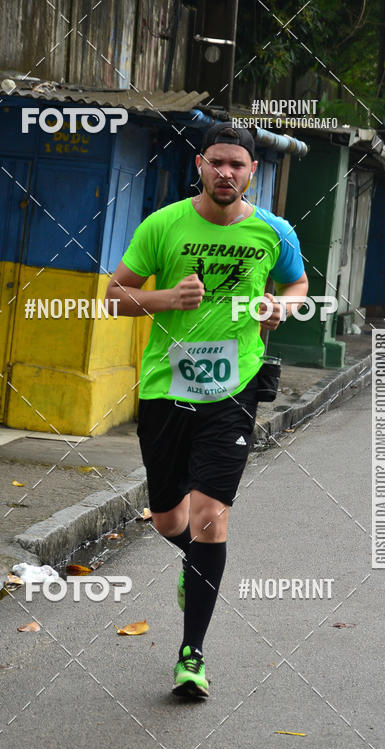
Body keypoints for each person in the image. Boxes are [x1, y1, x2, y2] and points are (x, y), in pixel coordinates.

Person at [106, 122, 308, 698]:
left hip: (234, 388)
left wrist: (280, 306)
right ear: (200, 164)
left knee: (211, 516)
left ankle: (191, 656)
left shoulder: (274, 231)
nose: (226, 173)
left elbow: (297, 286)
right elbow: (114, 296)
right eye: (217, 162)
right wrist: (164, 299)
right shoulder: (163, 225)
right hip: (165, 388)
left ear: (251, 172)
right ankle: (193, 570)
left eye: (237, 165)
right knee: (171, 520)